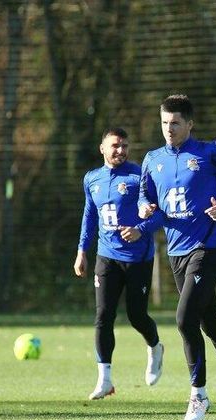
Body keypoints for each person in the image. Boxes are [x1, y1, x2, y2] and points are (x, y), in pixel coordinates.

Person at [138, 94, 216, 420]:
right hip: (176, 251)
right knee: (211, 324)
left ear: (190, 124)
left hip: (208, 248)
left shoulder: (209, 152)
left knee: (183, 320)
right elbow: (146, 197)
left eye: (176, 122)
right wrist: (143, 211)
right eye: (164, 122)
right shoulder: (152, 159)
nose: (169, 128)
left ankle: (199, 395)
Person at [74, 127, 164, 400]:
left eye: (125, 146)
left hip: (138, 259)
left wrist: (141, 228)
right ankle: (105, 379)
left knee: (137, 315)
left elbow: (160, 214)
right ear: (102, 148)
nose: (120, 151)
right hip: (106, 257)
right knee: (103, 316)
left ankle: (155, 346)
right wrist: (81, 250)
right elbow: (90, 216)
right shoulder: (92, 179)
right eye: (115, 145)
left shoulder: (141, 176)